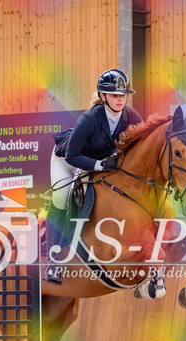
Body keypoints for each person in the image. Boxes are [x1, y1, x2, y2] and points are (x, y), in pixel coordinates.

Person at [45, 69, 142, 282]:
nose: (120, 99)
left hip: (100, 162)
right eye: (115, 95)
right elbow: (72, 156)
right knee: (61, 198)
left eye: (123, 95)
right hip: (68, 160)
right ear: (103, 96)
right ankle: (52, 261)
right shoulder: (89, 119)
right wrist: (99, 165)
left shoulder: (132, 116)